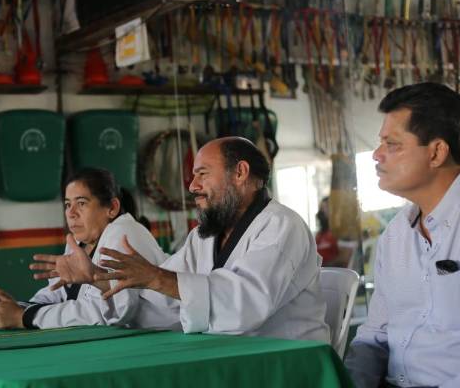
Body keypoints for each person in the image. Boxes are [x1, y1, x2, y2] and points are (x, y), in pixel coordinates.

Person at [40, 137, 329, 340]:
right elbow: (164, 302)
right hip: (232, 359)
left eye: (202, 174)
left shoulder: (280, 226)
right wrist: (98, 277)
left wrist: (155, 277)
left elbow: (246, 305)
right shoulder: (204, 237)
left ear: (240, 172)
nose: (193, 186)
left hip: (286, 363)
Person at [345, 82, 460, 388]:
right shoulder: (396, 235)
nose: (376, 155)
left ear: (437, 152)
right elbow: (376, 334)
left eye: (392, 144)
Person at [0, 168, 166, 329]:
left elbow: (100, 313)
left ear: (112, 207)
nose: (71, 213)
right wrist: (17, 307)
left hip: (166, 338)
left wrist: (24, 317)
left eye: (81, 203)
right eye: (68, 204)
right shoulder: (80, 243)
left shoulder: (124, 235)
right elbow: (58, 292)